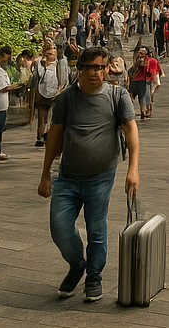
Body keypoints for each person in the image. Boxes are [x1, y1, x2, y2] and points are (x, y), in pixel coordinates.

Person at [37, 46, 140, 302]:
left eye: (100, 67)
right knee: (59, 227)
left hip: (101, 175)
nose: (95, 72)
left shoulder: (118, 95)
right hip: (68, 176)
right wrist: (45, 173)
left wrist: (133, 169)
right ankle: (77, 264)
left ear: (107, 69)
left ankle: (94, 277)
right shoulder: (66, 98)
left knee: (96, 229)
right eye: (89, 67)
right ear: (79, 69)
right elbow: (54, 136)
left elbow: (131, 130)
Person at [31, 43, 69, 148]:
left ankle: (50, 136)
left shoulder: (59, 65)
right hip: (42, 91)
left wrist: (61, 89)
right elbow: (37, 76)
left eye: (52, 54)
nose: (50, 56)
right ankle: (40, 136)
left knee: (54, 117)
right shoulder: (40, 64)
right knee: (42, 117)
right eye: (48, 53)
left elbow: (64, 78)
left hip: (56, 92)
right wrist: (42, 64)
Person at [0, 46, 21, 161]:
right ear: (2, 55)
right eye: (7, 56)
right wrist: (10, 87)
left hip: (0, 104)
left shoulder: (0, 68)